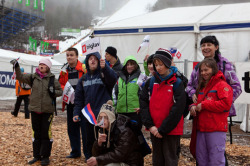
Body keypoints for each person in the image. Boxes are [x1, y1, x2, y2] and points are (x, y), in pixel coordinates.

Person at [11, 58, 63, 165]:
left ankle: (45, 157)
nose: (41, 66)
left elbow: (60, 91)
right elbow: (20, 76)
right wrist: (16, 66)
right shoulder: (32, 77)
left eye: (44, 64)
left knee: (46, 133)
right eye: (40, 64)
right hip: (34, 110)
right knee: (36, 133)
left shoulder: (53, 79)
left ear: (48, 67)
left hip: (48, 111)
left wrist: (54, 92)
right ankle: (36, 156)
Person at [139, 48, 186, 166]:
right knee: (157, 159)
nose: (158, 67)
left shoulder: (177, 83)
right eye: (156, 64)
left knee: (170, 159)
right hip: (155, 129)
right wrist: (151, 126)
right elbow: (143, 103)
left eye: (161, 64)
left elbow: (178, 109)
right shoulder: (150, 82)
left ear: (168, 64)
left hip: (171, 130)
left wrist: (163, 129)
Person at [73, 52, 117, 160]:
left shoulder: (103, 74)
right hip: (88, 115)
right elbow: (79, 99)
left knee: (102, 138)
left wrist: (105, 68)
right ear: (87, 62)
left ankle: (102, 159)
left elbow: (113, 79)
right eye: (90, 59)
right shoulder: (83, 79)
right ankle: (89, 158)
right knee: (88, 138)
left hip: (102, 115)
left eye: (95, 59)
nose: (92, 61)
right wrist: (76, 113)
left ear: (98, 61)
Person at [189, 58, 233, 166]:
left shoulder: (222, 85)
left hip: (215, 129)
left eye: (206, 70)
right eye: (202, 71)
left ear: (213, 69)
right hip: (201, 129)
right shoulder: (203, 86)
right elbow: (198, 102)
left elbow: (226, 105)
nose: (203, 73)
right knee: (201, 159)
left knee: (216, 161)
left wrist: (204, 105)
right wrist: (193, 107)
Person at [186, 35, 242, 117]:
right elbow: (189, 86)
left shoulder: (225, 65)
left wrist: (223, 102)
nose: (205, 47)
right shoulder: (198, 67)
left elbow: (237, 87)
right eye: (203, 45)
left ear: (216, 47)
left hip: (219, 113)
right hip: (201, 111)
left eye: (209, 45)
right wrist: (193, 93)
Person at [87, 100, 143, 166]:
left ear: (111, 118)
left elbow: (119, 154)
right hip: (117, 160)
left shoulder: (124, 131)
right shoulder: (103, 129)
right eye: (100, 118)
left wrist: (98, 159)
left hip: (129, 163)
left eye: (105, 118)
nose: (102, 121)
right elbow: (96, 155)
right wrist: (98, 143)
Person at [58, 48, 86, 159]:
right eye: (68, 55)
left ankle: (88, 153)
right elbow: (60, 83)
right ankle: (75, 152)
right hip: (70, 103)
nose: (69, 57)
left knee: (85, 129)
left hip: (83, 103)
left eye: (71, 55)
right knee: (72, 129)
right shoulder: (64, 70)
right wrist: (65, 90)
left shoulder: (84, 69)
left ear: (77, 56)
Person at [113, 56, 142, 129]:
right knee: (123, 135)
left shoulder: (140, 77)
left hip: (135, 112)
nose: (129, 66)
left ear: (135, 65)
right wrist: (115, 106)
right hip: (121, 112)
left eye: (132, 64)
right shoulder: (120, 78)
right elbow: (114, 93)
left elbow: (143, 94)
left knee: (135, 134)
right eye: (127, 65)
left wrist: (141, 106)